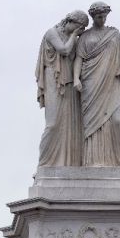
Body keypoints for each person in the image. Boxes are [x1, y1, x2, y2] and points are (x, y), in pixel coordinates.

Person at [72, 1, 120, 167]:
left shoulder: (114, 35)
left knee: (116, 120)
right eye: (98, 17)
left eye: (104, 16)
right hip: (91, 82)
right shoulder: (85, 37)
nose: (101, 19)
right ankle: (92, 161)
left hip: (113, 81)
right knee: (91, 125)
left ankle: (117, 162)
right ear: (93, 17)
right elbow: (79, 59)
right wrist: (76, 78)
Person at [36, 10, 90, 167]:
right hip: (53, 78)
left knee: (69, 124)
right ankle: (44, 164)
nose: (80, 32)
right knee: (52, 123)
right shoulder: (52, 33)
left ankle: (68, 163)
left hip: (69, 82)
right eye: (79, 27)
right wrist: (74, 36)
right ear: (70, 22)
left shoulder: (75, 38)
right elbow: (64, 51)